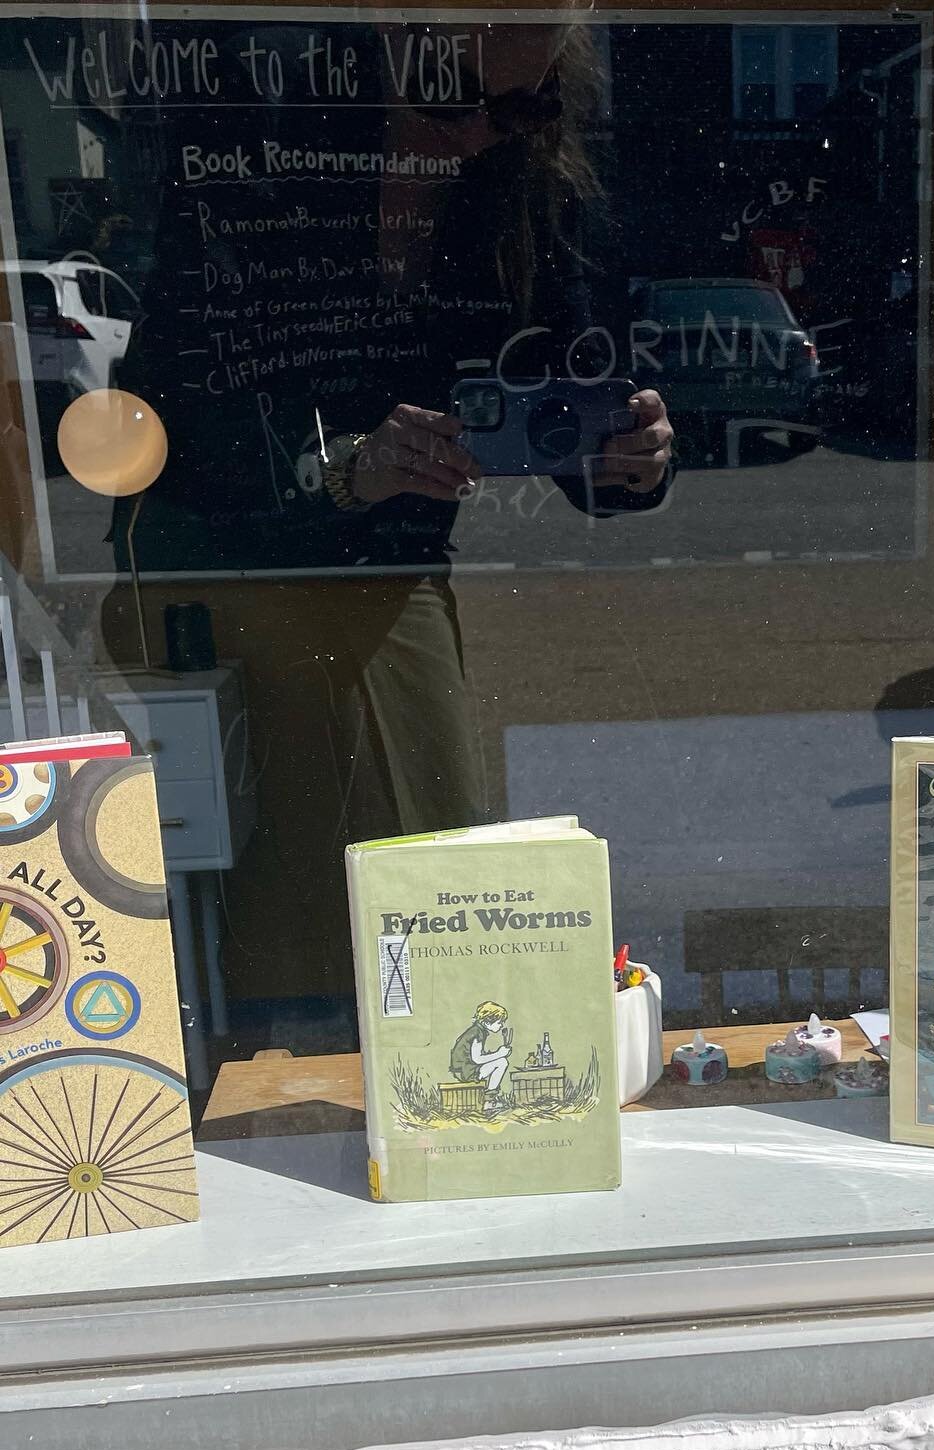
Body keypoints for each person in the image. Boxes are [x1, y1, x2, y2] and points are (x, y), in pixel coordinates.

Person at [109, 17, 674, 1009]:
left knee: (419, 929)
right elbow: (166, 405)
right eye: (452, 95)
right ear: (375, 54)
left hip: (388, 574)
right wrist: (337, 466)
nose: (484, 132)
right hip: (226, 568)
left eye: (525, 105)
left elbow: (566, 391)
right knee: (262, 929)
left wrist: (629, 455)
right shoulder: (262, 151)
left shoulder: (524, 181)